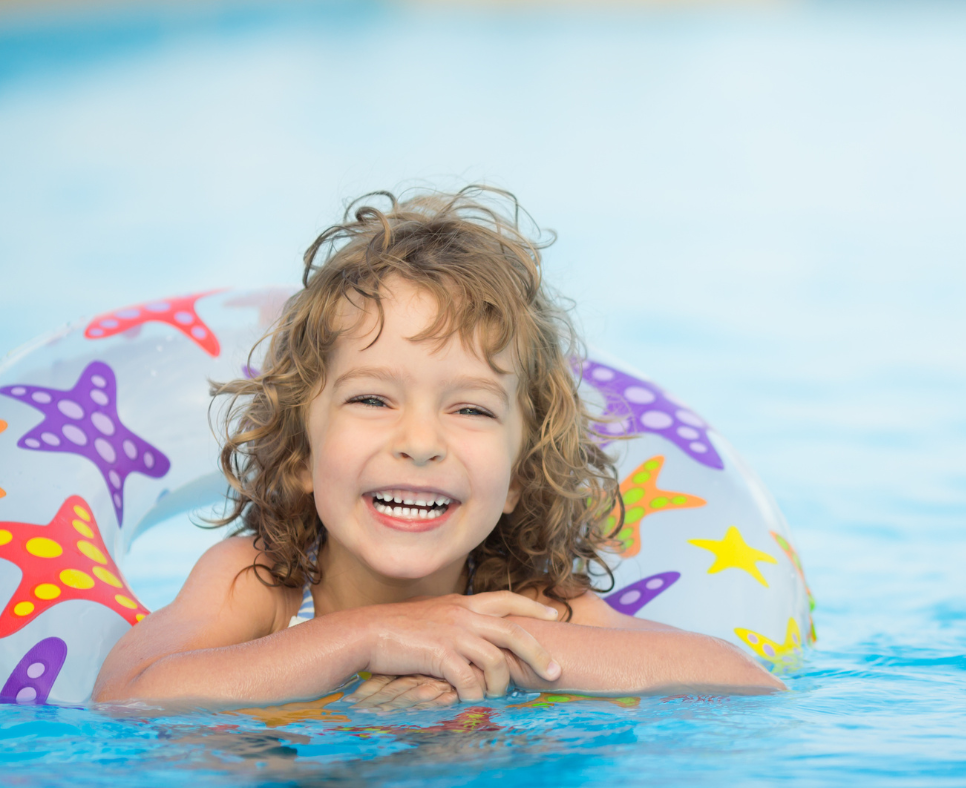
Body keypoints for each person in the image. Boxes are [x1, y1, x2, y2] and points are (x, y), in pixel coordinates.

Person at [93, 188, 783, 708]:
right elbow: (127, 693)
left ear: (517, 474)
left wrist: (492, 651)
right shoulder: (264, 579)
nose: (420, 441)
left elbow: (742, 683)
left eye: (471, 407)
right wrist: (364, 639)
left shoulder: (523, 599)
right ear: (301, 453)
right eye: (371, 399)